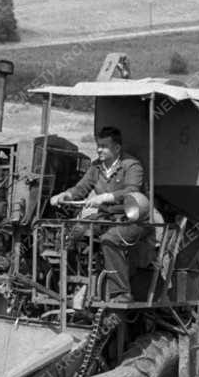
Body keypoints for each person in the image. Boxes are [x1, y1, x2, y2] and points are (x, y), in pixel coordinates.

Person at [49, 126, 149, 303]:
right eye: (98, 145)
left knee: (110, 239)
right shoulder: (96, 167)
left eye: (104, 146)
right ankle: (72, 285)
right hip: (106, 218)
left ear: (117, 148)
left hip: (132, 220)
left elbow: (133, 191)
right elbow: (81, 188)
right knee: (68, 234)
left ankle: (122, 293)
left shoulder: (132, 166)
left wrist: (105, 197)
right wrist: (66, 195)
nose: (99, 149)